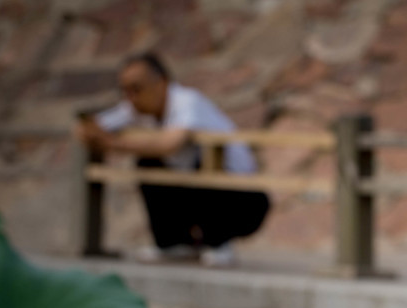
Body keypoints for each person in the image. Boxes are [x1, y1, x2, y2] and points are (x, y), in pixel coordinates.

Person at [75, 52, 270, 267]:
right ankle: (173, 243)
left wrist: (110, 142)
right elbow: (92, 126)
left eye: (136, 89)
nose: (130, 97)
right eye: (125, 90)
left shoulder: (187, 101)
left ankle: (218, 242)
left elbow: (170, 144)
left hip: (242, 199)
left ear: (161, 83)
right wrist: (90, 130)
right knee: (149, 164)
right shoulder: (137, 107)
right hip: (193, 192)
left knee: (204, 163)